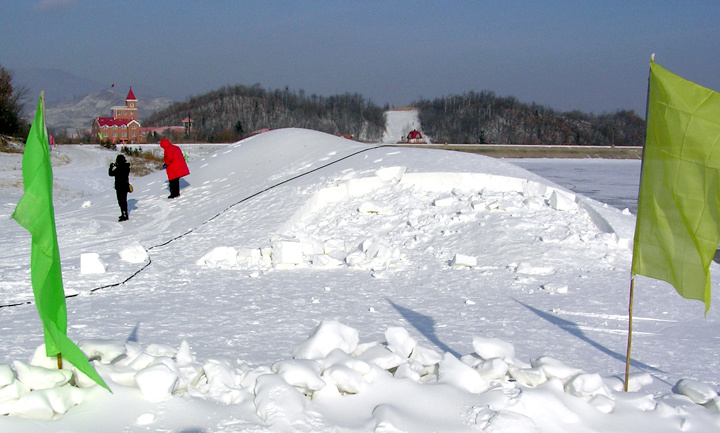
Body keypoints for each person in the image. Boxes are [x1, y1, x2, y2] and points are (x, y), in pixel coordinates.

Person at [108, 154, 131, 221]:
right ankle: (124, 214)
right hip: (125, 186)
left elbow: (111, 174)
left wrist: (111, 167)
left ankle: (124, 214)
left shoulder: (119, 168)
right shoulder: (126, 167)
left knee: (121, 201)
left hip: (119, 187)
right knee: (123, 201)